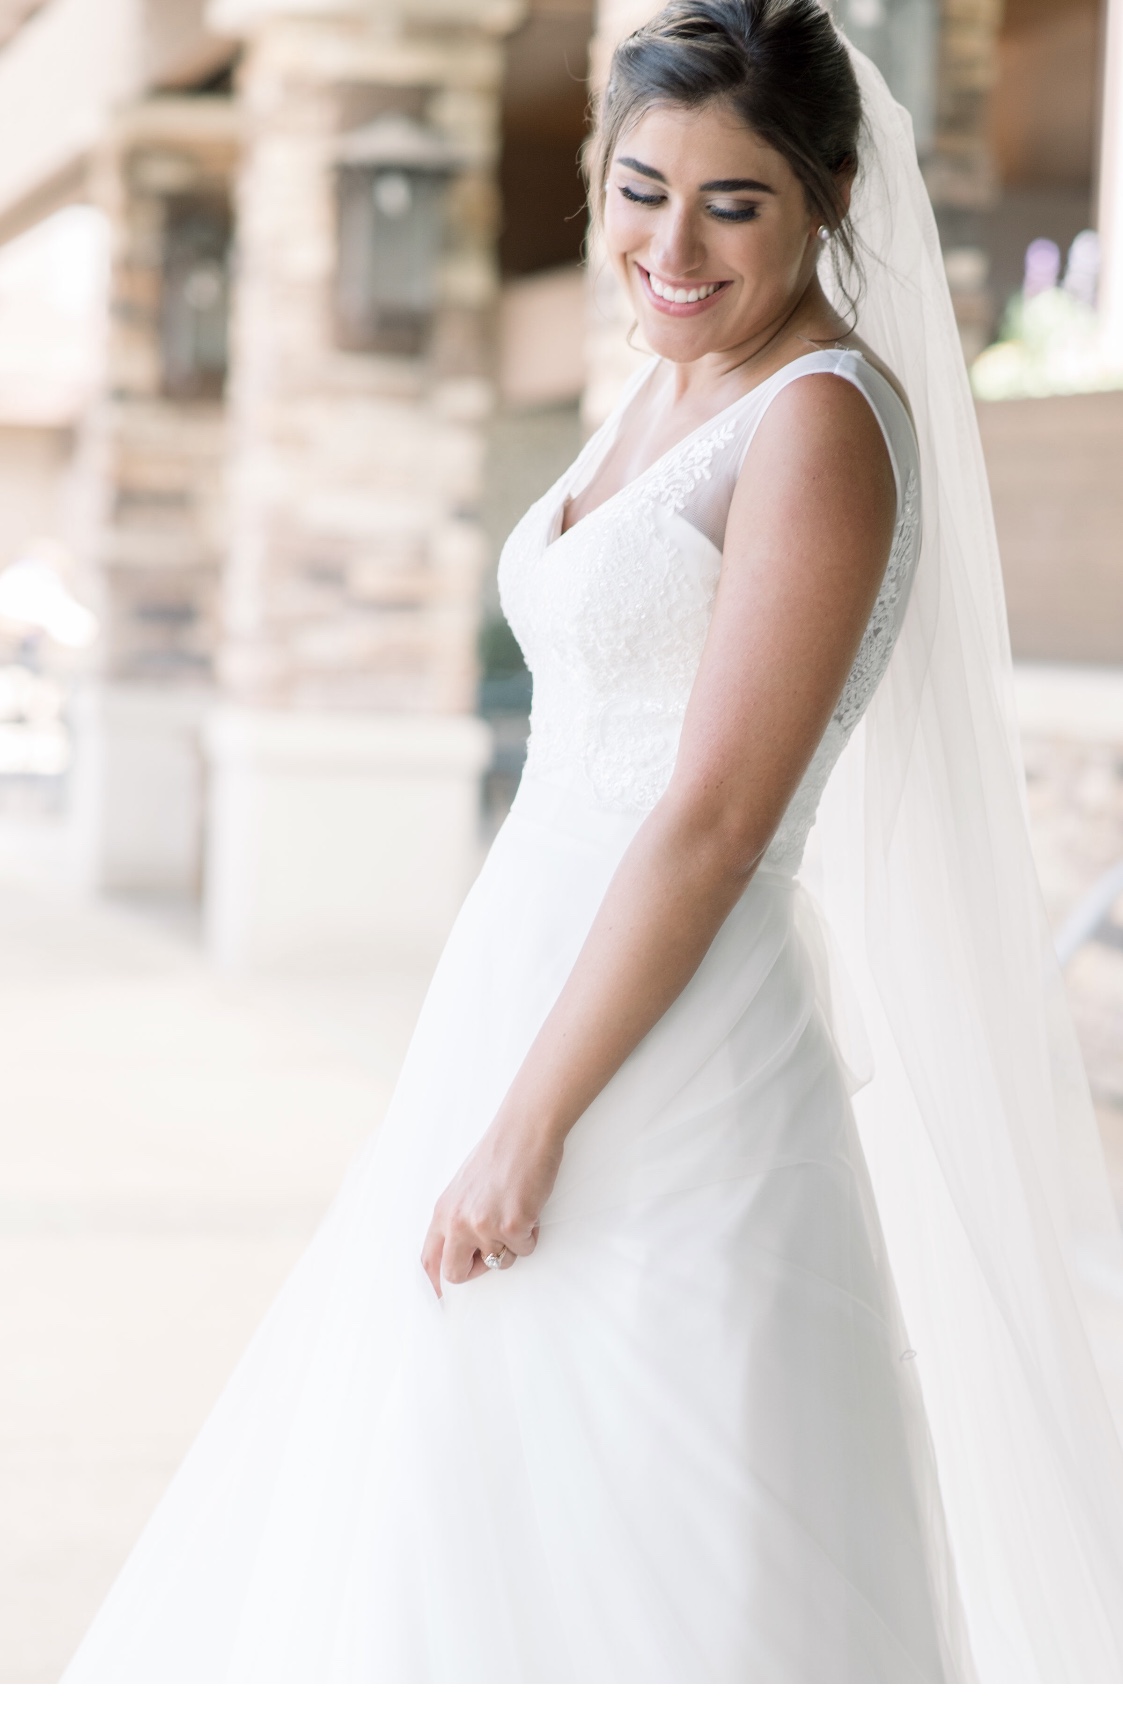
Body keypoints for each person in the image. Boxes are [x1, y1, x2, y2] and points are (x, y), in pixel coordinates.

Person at [63, 0, 1123, 1685]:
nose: (671, 245)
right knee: (460, 1486)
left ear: (830, 197)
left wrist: (529, 1125)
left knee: (662, 1499)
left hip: (672, 1042)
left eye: (735, 202)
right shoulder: (657, 387)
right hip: (527, 983)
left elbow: (712, 820)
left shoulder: (822, 422)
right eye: (642, 190)